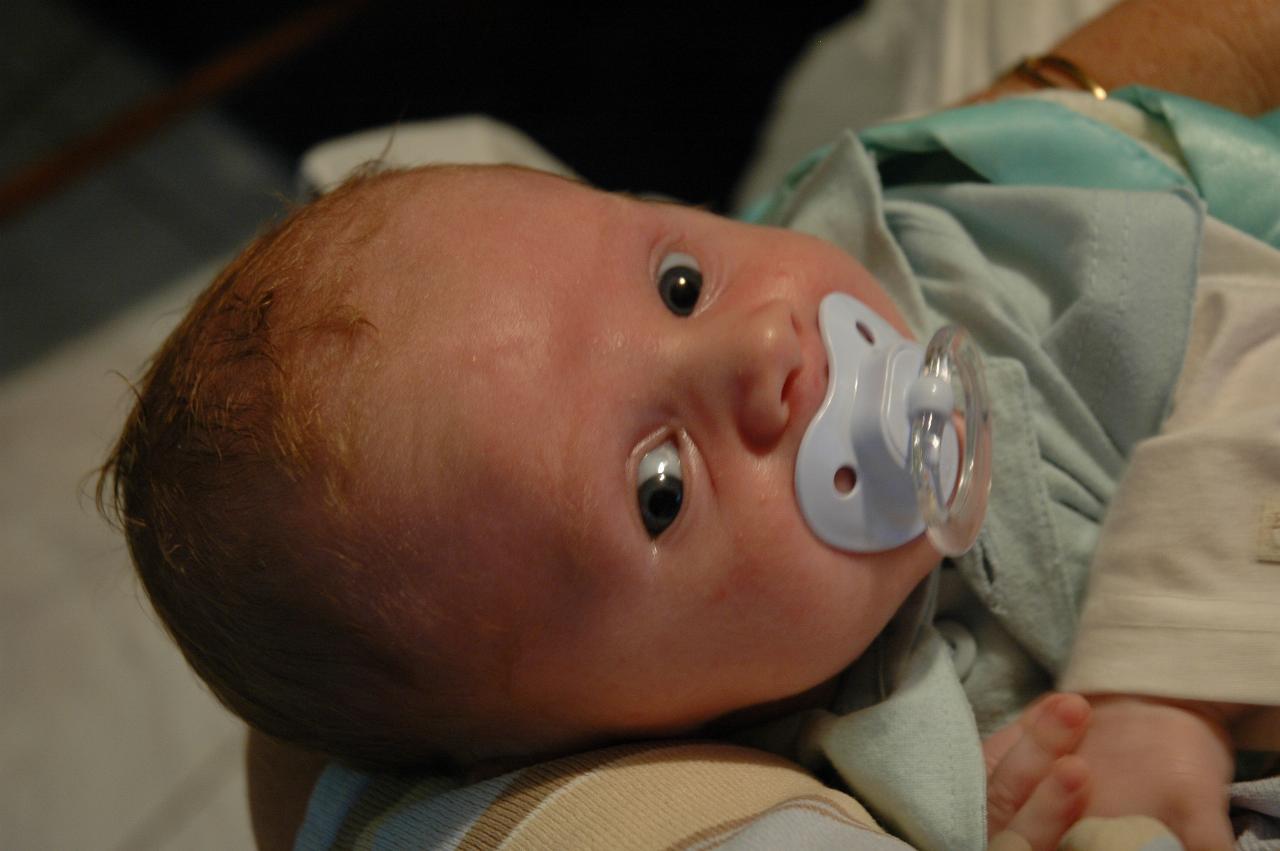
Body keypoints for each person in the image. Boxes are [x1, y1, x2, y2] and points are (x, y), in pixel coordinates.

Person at [99, 1, 1280, 848]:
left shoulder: (976, 272)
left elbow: (1246, 337)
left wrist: (1162, 687)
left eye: (677, 282)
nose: (762, 350)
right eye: (658, 485)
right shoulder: (801, 791)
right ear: (581, 737)